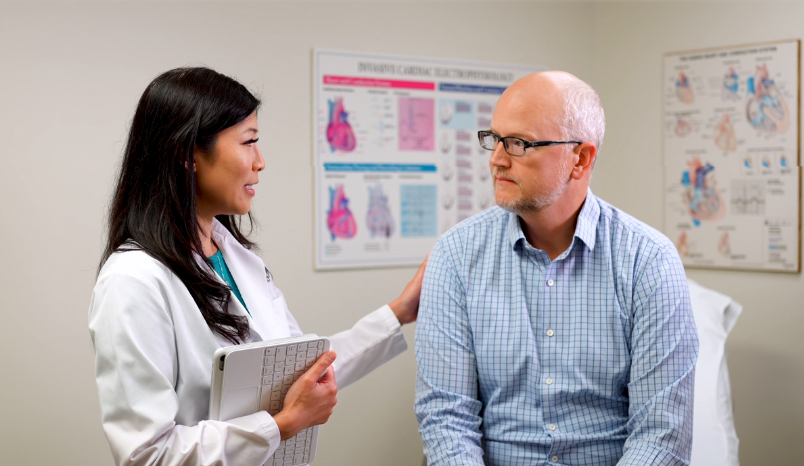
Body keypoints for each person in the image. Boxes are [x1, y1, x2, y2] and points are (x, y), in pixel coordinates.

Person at [89, 67, 427, 466]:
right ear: (187, 155)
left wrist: (400, 312)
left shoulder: (236, 257)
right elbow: (147, 454)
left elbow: (306, 369)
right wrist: (280, 426)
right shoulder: (133, 281)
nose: (260, 162)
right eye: (249, 142)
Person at [415, 71, 698, 466]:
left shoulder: (649, 260)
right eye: (494, 139)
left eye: (518, 144)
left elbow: (661, 435)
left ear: (579, 159)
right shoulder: (456, 255)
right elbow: (447, 418)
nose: (496, 159)